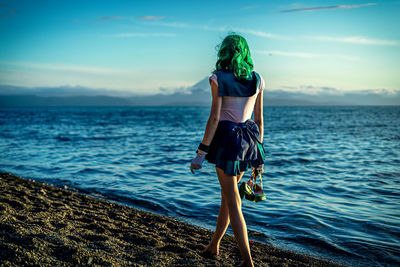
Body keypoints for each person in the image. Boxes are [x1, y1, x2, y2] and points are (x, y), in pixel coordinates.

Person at [190, 33, 265, 267]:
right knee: (228, 196)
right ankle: (214, 246)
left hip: (227, 141)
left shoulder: (218, 78)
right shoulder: (257, 79)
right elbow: (260, 121)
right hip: (249, 142)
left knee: (232, 200)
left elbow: (214, 118)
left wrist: (200, 154)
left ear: (223, 52)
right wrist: (258, 156)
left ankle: (247, 261)